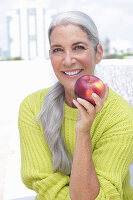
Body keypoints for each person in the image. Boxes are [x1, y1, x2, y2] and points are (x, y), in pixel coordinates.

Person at [18, 11, 133, 200]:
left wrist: (83, 131)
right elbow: (42, 182)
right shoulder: (32, 108)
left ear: (98, 53)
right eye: (58, 50)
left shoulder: (121, 116)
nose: (68, 60)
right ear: (51, 56)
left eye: (78, 47)